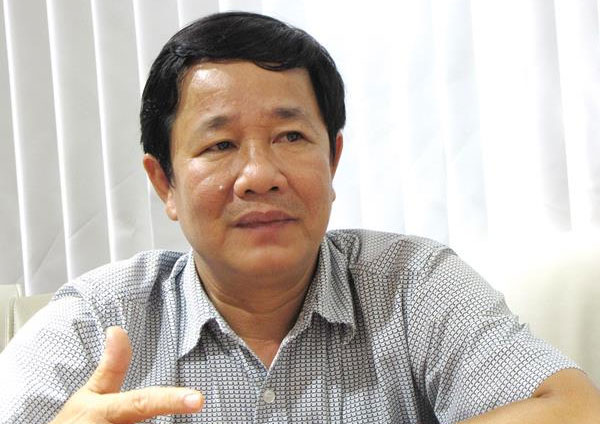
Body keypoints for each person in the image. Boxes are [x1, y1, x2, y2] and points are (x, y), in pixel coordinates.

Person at [0, 11, 599, 424]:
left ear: (332, 160)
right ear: (166, 184)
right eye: (219, 145)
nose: (259, 175)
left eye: (290, 136)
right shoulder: (98, 322)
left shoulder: (412, 285)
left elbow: (571, 408)